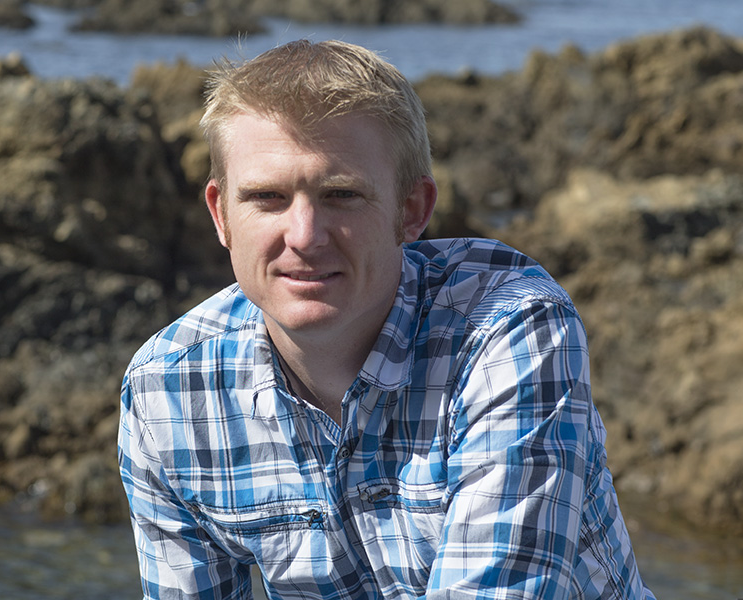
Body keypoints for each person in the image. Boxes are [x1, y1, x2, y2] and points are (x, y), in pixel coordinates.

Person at [118, 39, 655, 600]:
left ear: (412, 210)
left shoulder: (507, 330)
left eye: (342, 195)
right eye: (268, 197)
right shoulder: (168, 391)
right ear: (220, 214)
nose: (303, 237)